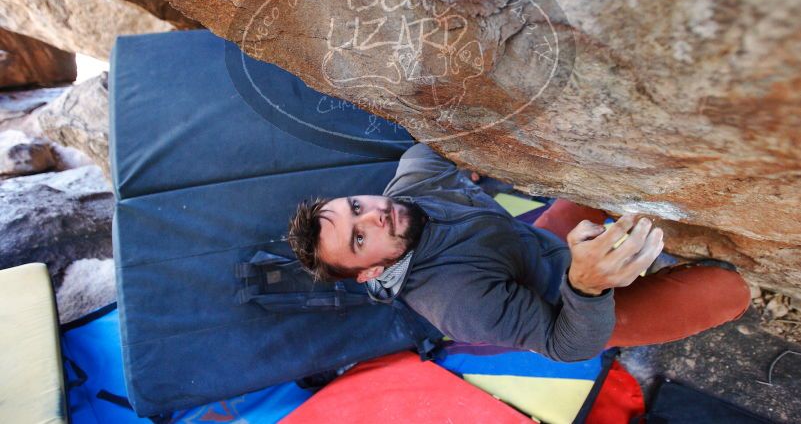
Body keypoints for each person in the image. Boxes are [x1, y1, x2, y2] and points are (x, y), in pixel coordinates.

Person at [288, 143, 750, 361]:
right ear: (370, 271)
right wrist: (587, 287)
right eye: (359, 239)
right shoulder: (456, 300)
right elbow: (566, 346)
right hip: (563, 310)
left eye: (355, 207)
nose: (373, 217)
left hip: (535, 249)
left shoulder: (414, 183)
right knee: (729, 290)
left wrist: (486, 164)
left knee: (600, 166)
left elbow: (439, 142)